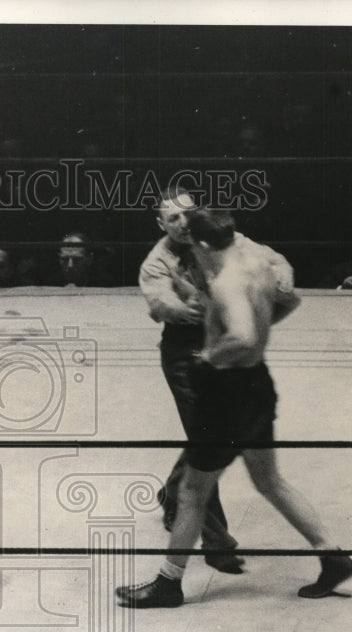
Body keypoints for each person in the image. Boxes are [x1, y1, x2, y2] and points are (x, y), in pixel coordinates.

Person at [117, 210, 352, 608]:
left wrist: (211, 355)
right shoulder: (257, 265)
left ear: (205, 244)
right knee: (269, 482)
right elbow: (289, 302)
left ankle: (168, 583)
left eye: (194, 244)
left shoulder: (227, 280)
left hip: (226, 392)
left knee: (192, 490)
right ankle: (332, 556)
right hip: (256, 385)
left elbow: (242, 335)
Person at [142, 189, 298, 574]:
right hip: (187, 354)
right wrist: (197, 306)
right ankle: (217, 542)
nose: (181, 223)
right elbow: (160, 303)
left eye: (187, 215)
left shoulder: (218, 237)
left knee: (209, 437)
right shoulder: (157, 261)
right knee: (208, 441)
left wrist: (273, 284)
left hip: (227, 342)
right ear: (161, 224)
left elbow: (278, 265)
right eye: (172, 218)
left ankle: (172, 492)